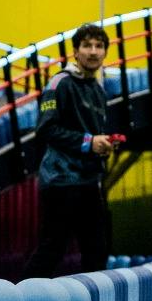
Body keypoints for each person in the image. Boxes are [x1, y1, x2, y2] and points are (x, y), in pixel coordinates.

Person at [24, 23, 116, 276]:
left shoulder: (98, 91)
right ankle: (20, 296)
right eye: (87, 45)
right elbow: (46, 129)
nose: (93, 51)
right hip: (61, 180)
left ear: (105, 52)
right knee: (51, 250)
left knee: (97, 253)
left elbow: (91, 135)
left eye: (99, 46)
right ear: (75, 52)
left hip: (88, 181)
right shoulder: (60, 83)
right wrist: (89, 142)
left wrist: (102, 146)